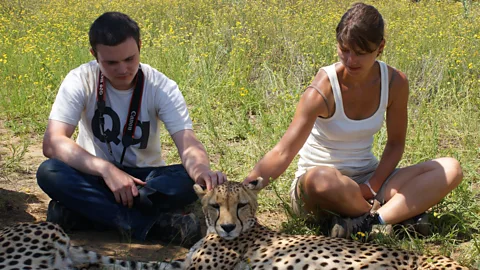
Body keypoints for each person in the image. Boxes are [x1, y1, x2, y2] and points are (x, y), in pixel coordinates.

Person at [243, 3, 463, 239]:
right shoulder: (322, 90)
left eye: (360, 53)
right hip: (319, 188)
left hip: (369, 180)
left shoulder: (395, 82)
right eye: (344, 49)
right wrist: (242, 189)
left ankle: (370, 222)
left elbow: (396, 143)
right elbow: (283, 152)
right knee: (322, 179)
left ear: (380, 48)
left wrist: (372, 185)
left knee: (451, 168)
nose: (350, 60)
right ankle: (396, 217)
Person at [36, 12, 226, 247]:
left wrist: (201, 171)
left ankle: (82, 212)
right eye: (111, 63)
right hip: (95, 174)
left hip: (145, 182)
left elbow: (187, 140)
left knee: (187, 182)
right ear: (94, 55)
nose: (123, 69)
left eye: (129, 59)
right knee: (49, 172)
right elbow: (53, 142)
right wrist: (106, 170)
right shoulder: (80, 79)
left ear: (140, 47)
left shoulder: (161, 86)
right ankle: (147, 226)